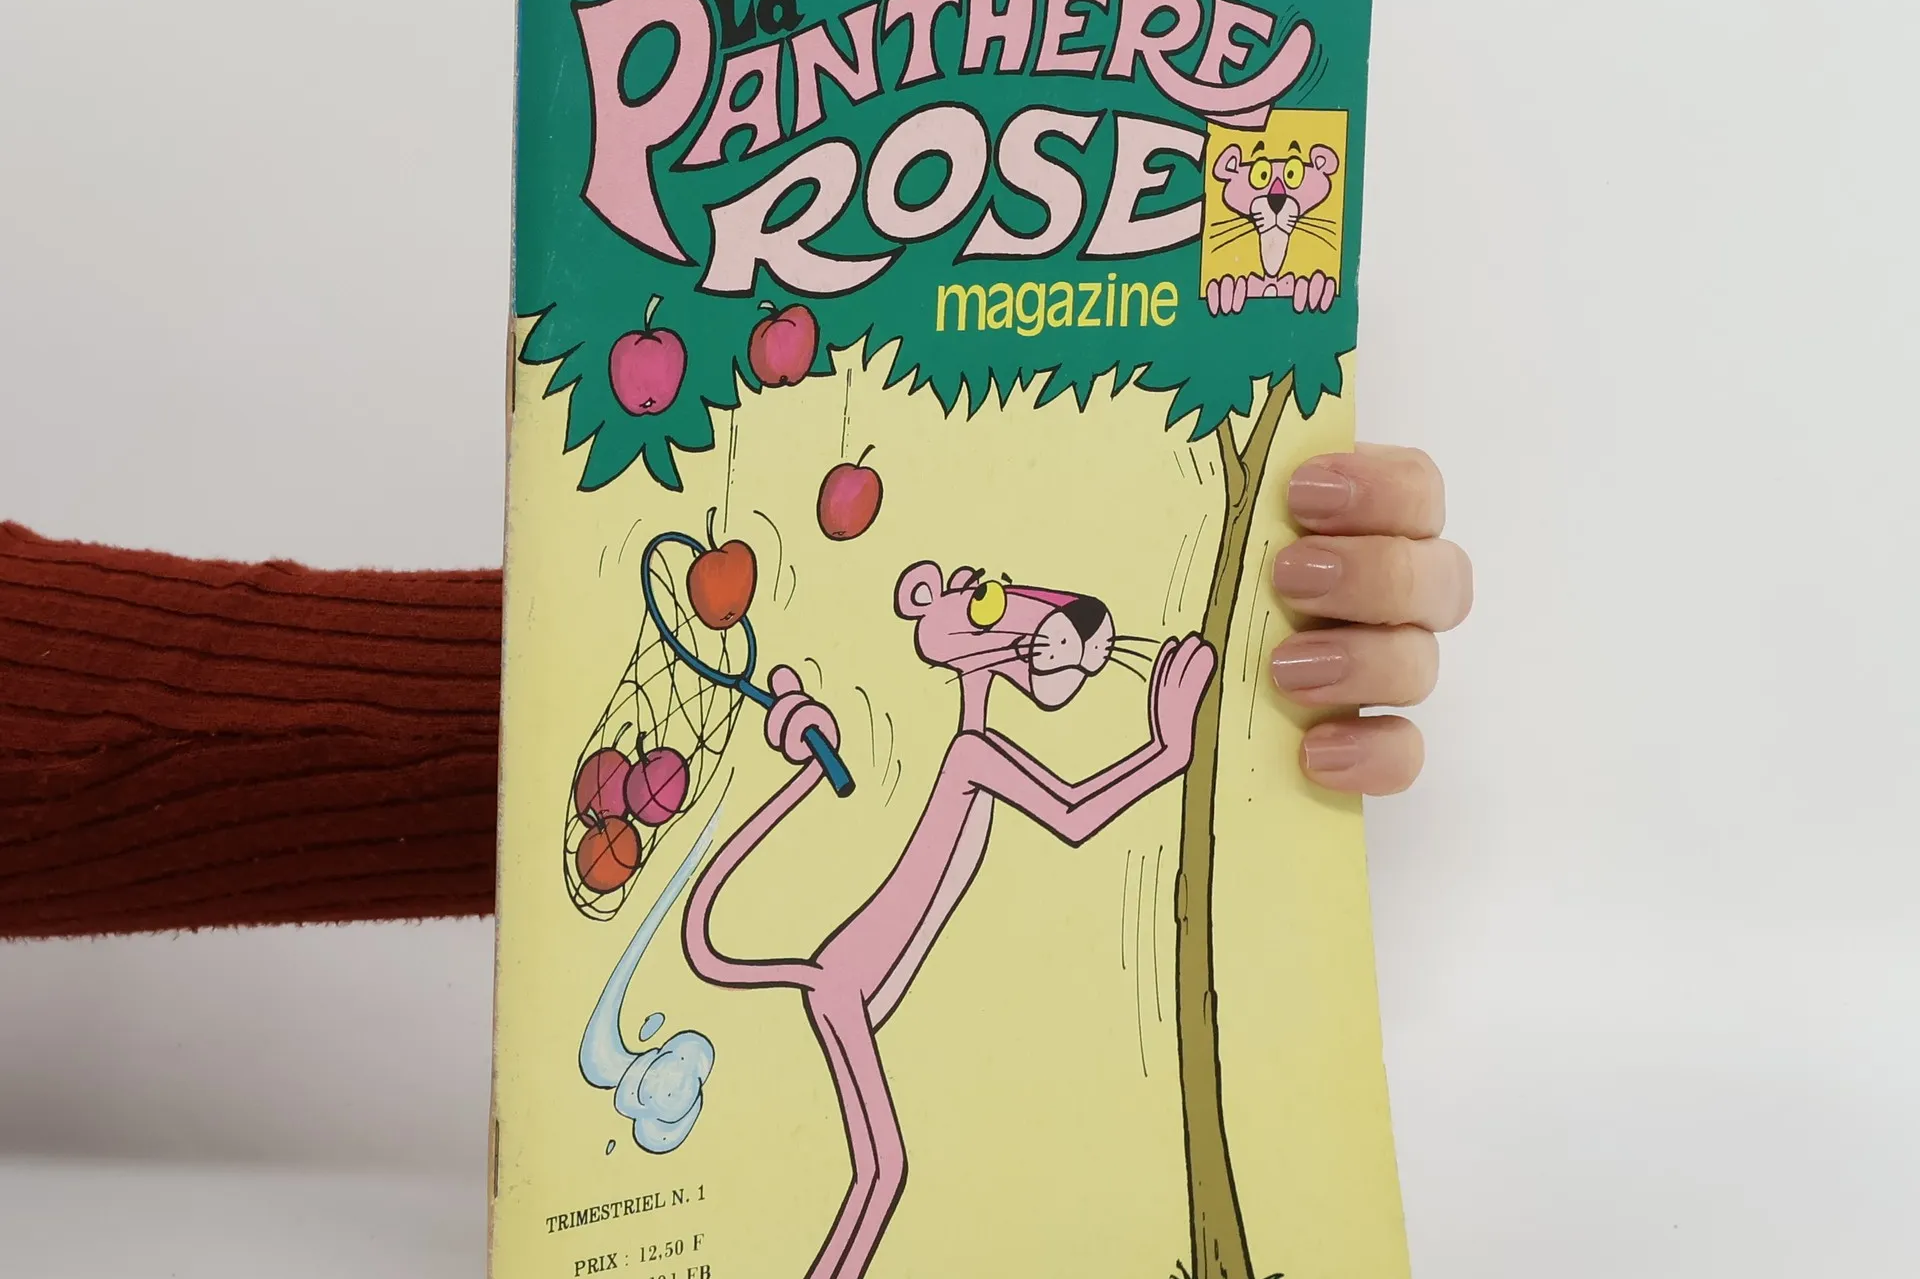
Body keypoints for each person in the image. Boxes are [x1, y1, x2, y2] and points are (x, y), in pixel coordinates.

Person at [0, 444, 1470, 940]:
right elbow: (1082, 811)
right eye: (991, 602)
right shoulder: (957, 744)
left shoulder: (928, 730)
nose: (1013, 610)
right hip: (836, 951)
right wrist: (1169, 736)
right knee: (883, 1167)